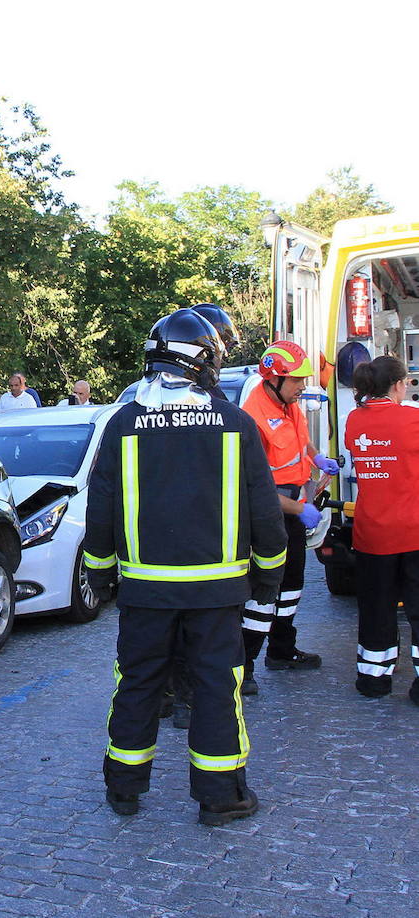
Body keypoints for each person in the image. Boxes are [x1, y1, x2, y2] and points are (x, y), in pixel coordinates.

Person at [85, 309, 285, 826]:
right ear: (202, 362)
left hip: (145, 592)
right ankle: (221, 798)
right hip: (216, 594)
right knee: (218, 686)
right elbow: (264, 510)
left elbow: (101, 508)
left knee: (137, 683)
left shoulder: (122, 424)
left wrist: (102, 573)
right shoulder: (234, 423)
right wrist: (267, 573)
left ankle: (124, 788)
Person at [238, 340, 330, 692]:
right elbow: (256, 489)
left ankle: (282, 650)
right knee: (264, 594)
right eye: (297, 381)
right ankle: (244, 667)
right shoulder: (252, 418)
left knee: (291, 587)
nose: (302, 387)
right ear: (274, 378)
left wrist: (318, 459)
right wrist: (300, 509)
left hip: (293, 510)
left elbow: (302, 443)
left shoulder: (288, 404)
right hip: (270, 517)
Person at [342, 356, 419, 702]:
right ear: (399, 385)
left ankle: (374, 679)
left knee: (376, 609)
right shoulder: (413, 419)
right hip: (414, 531)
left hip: (372, 534)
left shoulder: (354, 421)